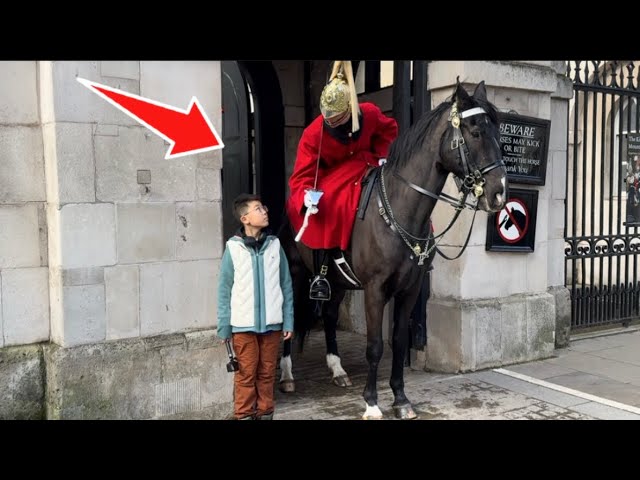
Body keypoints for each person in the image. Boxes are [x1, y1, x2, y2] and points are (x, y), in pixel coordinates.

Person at [286, 60, 399, 300]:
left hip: (368, 164)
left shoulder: (368, 112)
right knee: (331, 204)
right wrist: (306, 195)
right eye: (330, 119)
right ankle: (323, 270)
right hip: (332, 176)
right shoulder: (313, 133)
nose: (333, 123)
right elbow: (302, 174)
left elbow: (387, 131)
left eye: (338, 118)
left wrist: (382, 157)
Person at [217, 193, 294, 420]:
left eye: (264, 207)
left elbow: (286, 284)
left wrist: (288, 320)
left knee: (267, 373)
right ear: (245, 218)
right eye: (258, 209)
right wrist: (224, 326)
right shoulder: (233, 248)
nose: (265, 211)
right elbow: (224, 290)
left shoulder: (275, 245)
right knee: (246, 375)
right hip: (243, 326)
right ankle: (244, 415)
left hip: (272, 325)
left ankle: (265, 413)